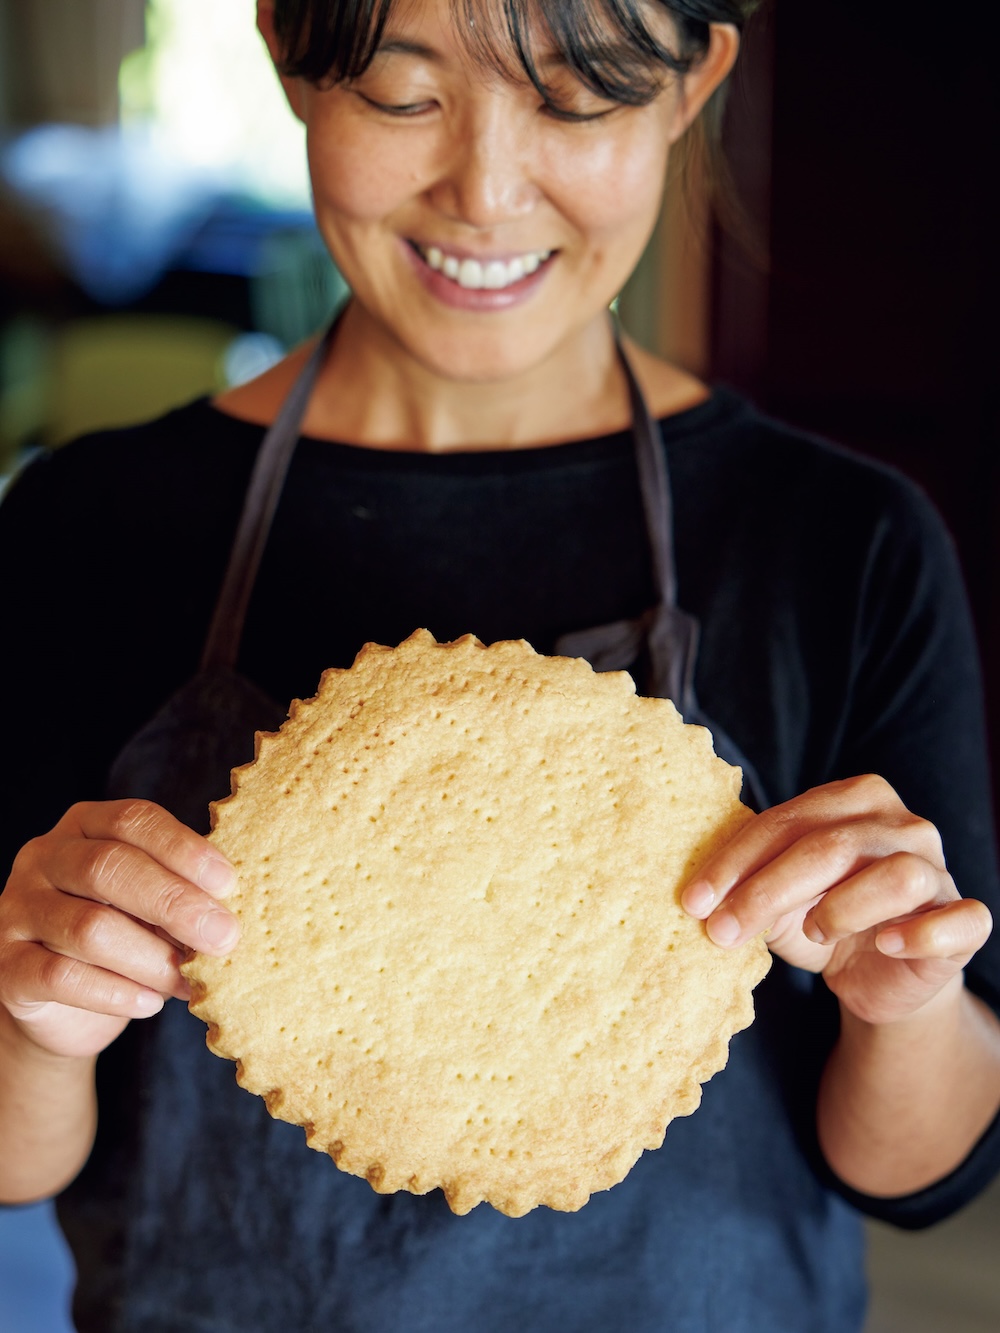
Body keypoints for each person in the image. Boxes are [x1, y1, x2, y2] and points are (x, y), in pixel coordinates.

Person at [2, 1, 1000, 1329]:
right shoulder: (89, 523)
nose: (483, 188)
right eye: (405, 98)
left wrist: (907, 1000)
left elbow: (925, 1168)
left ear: (690, 86)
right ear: (291, 59)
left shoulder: (842, 543)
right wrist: (29, 1011)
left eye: (575, 102)